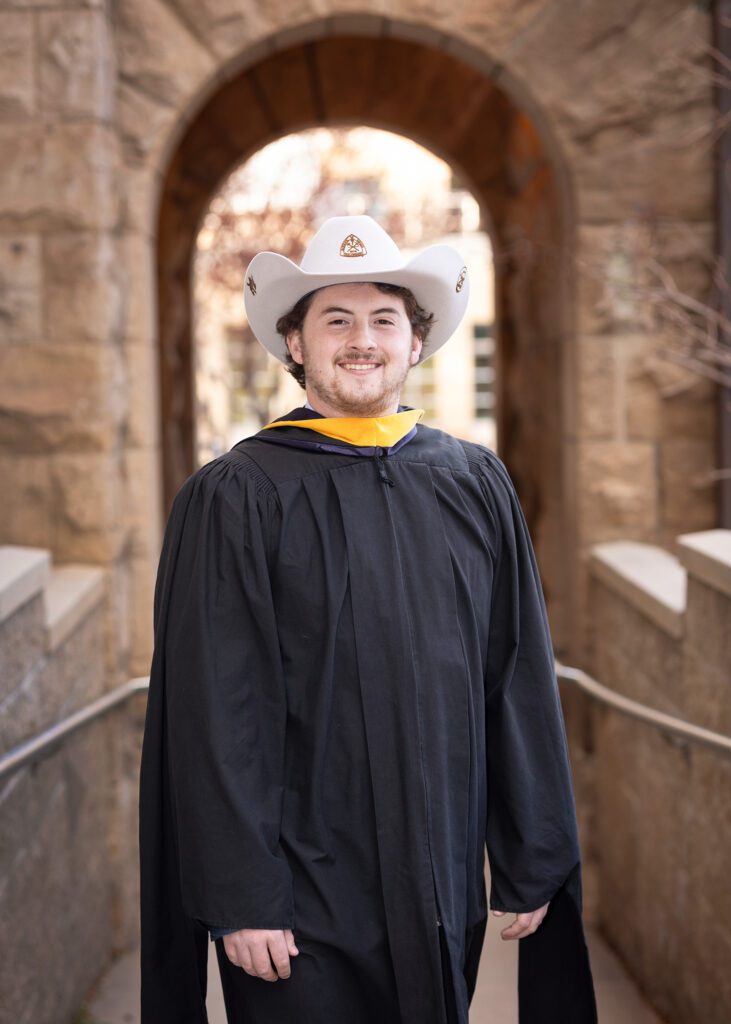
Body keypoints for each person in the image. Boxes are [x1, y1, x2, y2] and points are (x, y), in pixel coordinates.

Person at [139, 215, 597, 1023]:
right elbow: (214, 710)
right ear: (296, 345)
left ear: (414, 344)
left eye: (384, 320)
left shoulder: (470, 482)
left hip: (437, 872)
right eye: (335, 321)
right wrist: (241, 895)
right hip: (299, 892)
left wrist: (532, 853)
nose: (362, 341)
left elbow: (514, 673)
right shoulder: (238, 496)